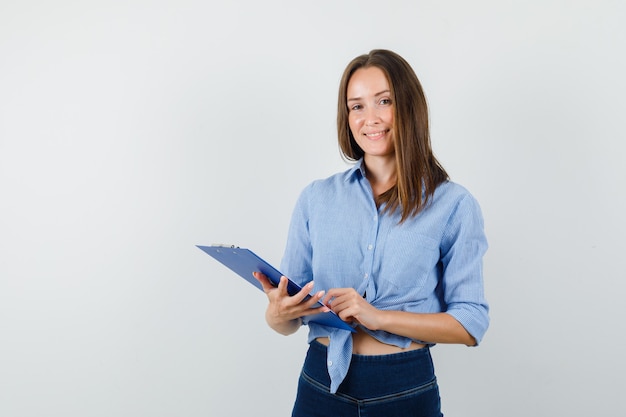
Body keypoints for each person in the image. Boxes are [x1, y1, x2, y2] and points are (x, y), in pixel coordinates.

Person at [253, 49, 489, 417]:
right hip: (320, 384)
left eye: (384, 101)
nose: (370, 118)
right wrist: (277, 313)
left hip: (404, 388)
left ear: (409, 106)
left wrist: (378, 317)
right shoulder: (316, 198)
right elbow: (287, 320)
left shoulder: (453, 205)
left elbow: (470, 323)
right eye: (356, 106)